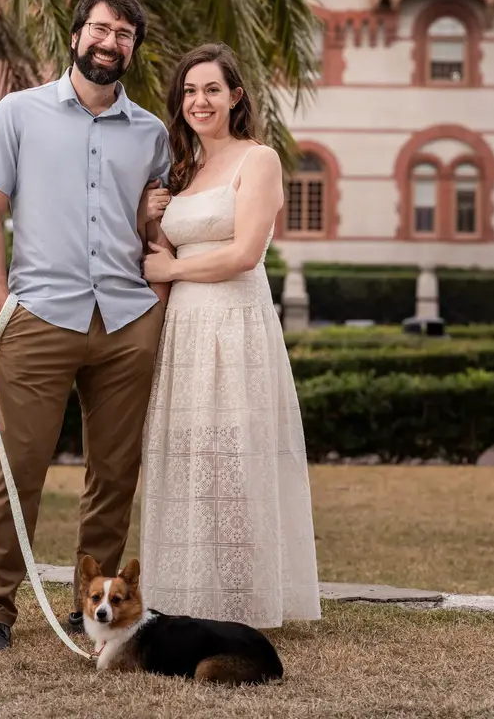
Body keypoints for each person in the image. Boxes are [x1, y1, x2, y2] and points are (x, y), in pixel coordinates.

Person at [0, 0, 170, 651]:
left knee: (114, 472)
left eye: (125, 36)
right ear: (76, 34)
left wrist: (157, 303)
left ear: (133, 49)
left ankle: (90, 605)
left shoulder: (153, 133)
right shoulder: (18, 114)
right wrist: (0, 303)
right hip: (38, 317)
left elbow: (156, 224)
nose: (111, 43)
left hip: (128, 321)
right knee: (16, 469)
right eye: (102, 29)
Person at [139, 43, 321, 628]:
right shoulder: (184, 170)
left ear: (236, 97)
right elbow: (165, 247)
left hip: (234, 322)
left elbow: (244, 254)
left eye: (212, 90)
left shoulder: (257, 159)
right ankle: (193, 597)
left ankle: (246, 602)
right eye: (190, 91)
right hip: (184, 327)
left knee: (235, 459)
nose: (199, 101)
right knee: (191, 456)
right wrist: (151, 217)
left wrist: (171, 269)